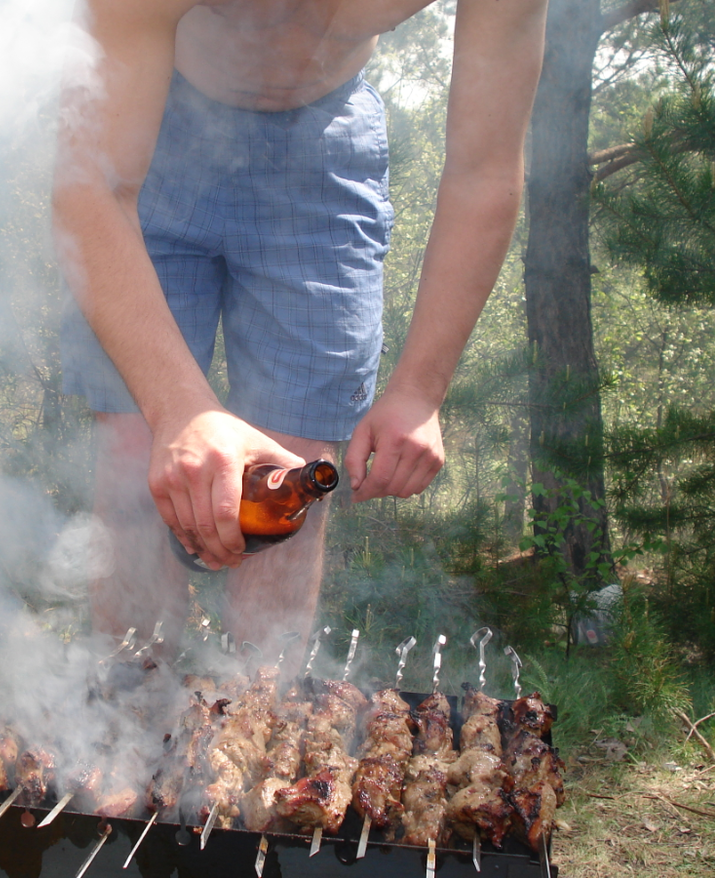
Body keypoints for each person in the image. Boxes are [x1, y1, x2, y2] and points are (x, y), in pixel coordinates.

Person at [53, 0, 548, 668]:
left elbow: (485, 170)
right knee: (137, 451)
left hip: (323, 153)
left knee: (288, 474)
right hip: (152, 121)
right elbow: (94, 187)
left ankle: (259, 739)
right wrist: (179, 408)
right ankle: (124, 738)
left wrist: (420, 391)